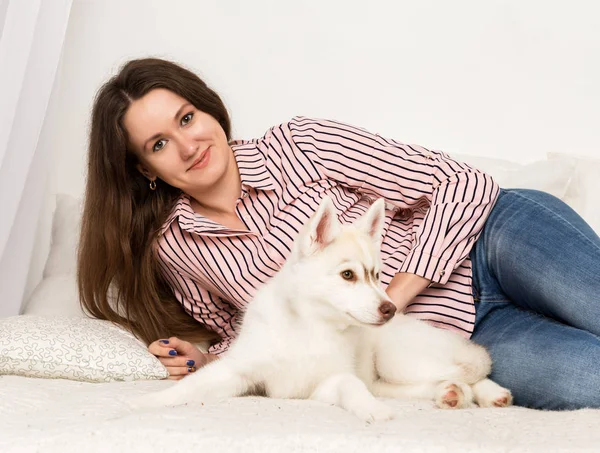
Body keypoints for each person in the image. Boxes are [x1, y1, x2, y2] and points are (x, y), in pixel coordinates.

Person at [78, 57, 600, 410]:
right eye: (159, 144)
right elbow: (249, 334)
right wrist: (205, 361)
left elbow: (461, 182)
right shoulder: (177, 246)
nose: (188, 144)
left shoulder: (300, 143)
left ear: (207, 107)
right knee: (588, 379)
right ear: (144, 168)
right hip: (464, 337)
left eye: (187, 118)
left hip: (495, 242)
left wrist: (390, 301)